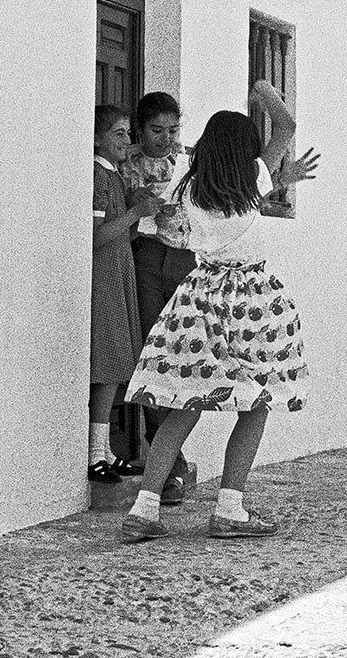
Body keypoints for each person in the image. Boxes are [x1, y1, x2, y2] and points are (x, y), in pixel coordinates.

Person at [120, 82, 320, 541]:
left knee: (184, 404)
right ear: (246, 151)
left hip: (200, 297)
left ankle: (144, 509)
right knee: (256, 402)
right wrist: (264, 90)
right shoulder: (253, 178)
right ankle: (230, 507)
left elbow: (165, 227)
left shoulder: (189, 185)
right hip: (251, 301)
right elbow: (285, 125)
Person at [119, 90, 196, 503]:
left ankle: (168, 459)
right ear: (139, 129)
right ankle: (167, 460)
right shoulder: (125, 162)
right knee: (150, 351)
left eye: (172, 129)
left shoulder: (186, 159)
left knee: (181, 355)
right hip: (146, 256)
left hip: (184, 258)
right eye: (156, 130)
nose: (166, 138)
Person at [90, 104, 153, 484]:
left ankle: (106, 449)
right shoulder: (98, 176)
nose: (127, 141)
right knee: (110, 362)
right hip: (105, 275)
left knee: (117, 362)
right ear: (97, 138)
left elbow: (122, 232)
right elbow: (95, 236)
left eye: (128, 133)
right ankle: (96, 449)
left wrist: (142, 211)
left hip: (119, 271)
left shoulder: (115, 177)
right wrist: (133, 214)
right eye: (118, 134)